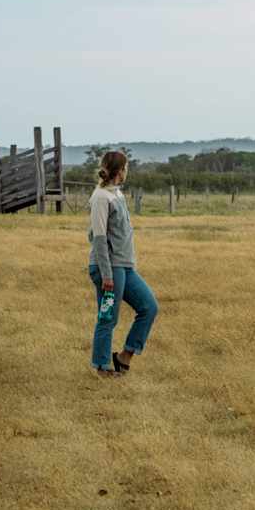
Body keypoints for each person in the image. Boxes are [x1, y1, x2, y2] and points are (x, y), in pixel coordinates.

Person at [87, 150, 158, 376]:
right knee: (108, 317)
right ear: (120, 170)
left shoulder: (117, 194)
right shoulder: (100, 198)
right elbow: (98, 239)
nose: (127, 171)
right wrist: (107, 275)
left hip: (125, 267)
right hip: (108, 267)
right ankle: (102, 366)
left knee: (149, 307)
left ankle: (124, 356)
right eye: (126, 167)